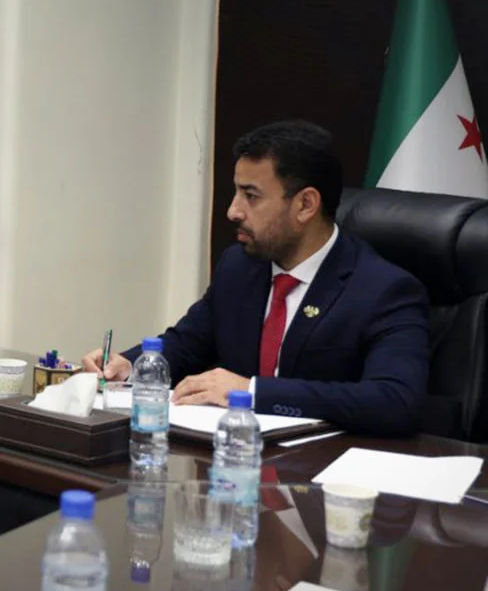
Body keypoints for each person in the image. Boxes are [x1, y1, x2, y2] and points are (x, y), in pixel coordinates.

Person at [82, 120, 429, 436]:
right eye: (236, 192)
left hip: (322, 471)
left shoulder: (383, 289)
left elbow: (395, 400)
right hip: (233, 457)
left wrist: (251, 391)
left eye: (251, 196)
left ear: (305, 205)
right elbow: (186, 343)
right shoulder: (240, 266)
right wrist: (130, 367)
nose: (233, 210)